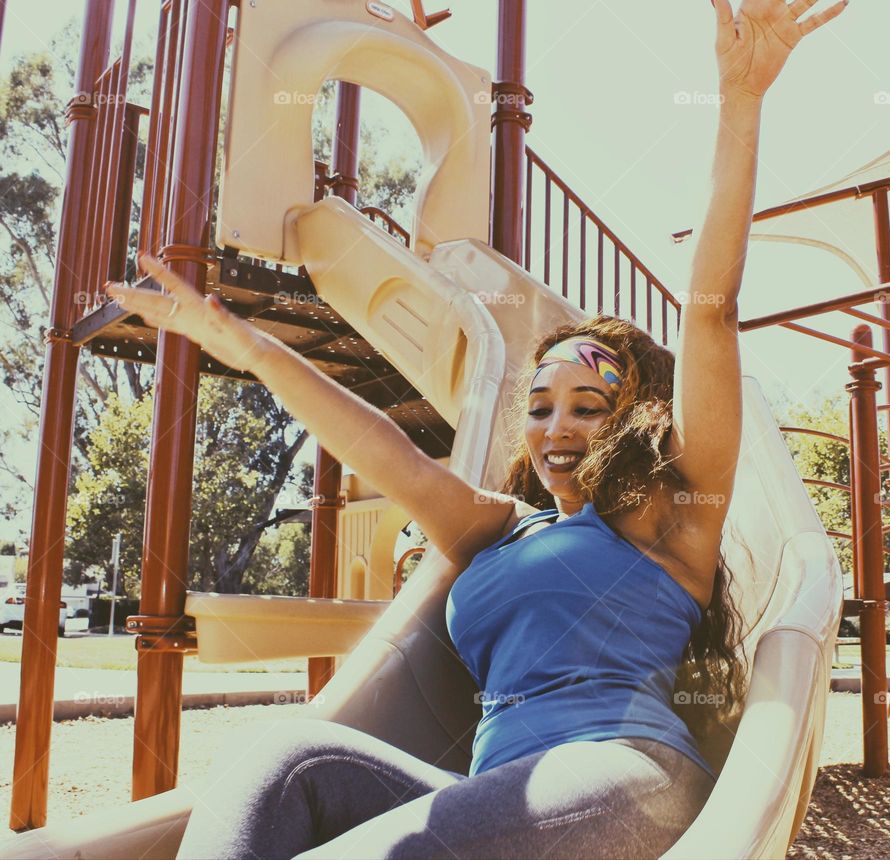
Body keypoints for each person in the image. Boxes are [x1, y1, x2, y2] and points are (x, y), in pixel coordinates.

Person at [107, 1, 848, 857]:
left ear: (631, 419)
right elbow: (374, 444)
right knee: (286, 764)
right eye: (539, 406)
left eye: (587, 405)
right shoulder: (492, 526)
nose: (555, 425)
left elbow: (710, 317)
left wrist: (739, 104)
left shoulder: (667, 517)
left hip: (624, 774)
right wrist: (250, 345)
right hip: (495, 798)